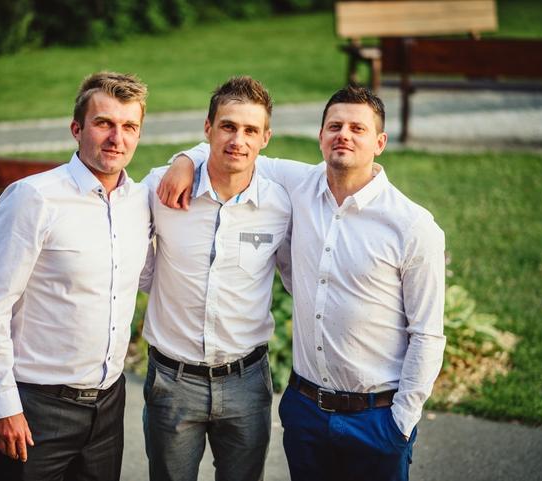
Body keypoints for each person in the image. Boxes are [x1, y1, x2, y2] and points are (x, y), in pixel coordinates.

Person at [159, 85, 446, 481]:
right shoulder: (299, 184)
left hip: (376, 418)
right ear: (321, 135)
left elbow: (427, 334)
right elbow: (237, 149)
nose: (344, 135)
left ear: (380, 143)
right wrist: (185, 160)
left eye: (358, 129)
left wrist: (402, 422)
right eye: (335, 126)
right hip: (306, 411)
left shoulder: (412, 226)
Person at [0, 71, 152, 481]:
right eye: (103, 123)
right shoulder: (34, 199)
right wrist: (4, 407)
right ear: (76, 129)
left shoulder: (140, 201)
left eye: (129, 127)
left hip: (109, 408)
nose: (117, 138)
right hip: (37, 408)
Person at [140, 76, 291, 481]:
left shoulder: (280, 205)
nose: (238, 140)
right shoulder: (160, 189)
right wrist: (184, 160)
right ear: (208, 129)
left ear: (266, 138)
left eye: (250, 130)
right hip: (173, 381)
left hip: (246, 381)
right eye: (227, 126)